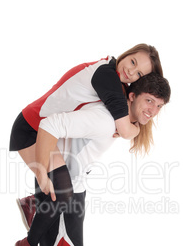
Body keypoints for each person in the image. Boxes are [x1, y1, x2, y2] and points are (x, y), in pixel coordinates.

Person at [13, 73, 171, 246]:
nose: (153, 110)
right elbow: (50, 124)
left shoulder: (122, 121)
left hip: (77, 183)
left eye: (159, 106)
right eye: (149, 101)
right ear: (131, 97)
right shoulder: (104, 119)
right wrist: (43, 177)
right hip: (62, 186)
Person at [9, 44, 163, 221]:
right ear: (127, 54)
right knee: (62, 191)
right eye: (133, 61)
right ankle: (33, 209)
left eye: (139, 74)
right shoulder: (107, 76)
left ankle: (32, 203)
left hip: (49, 132)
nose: (130, 71)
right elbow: (126, 132)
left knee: (65, 190)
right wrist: (132, 128)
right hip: (30, 128)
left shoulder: (116, 78)